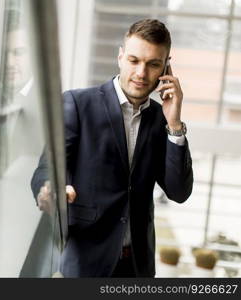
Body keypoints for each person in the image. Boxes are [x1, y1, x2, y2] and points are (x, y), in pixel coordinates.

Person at [31, 19, 193, 277]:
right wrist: (49, 189)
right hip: (85, 264)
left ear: (166, 67)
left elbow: (178, 192)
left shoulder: (161, 120)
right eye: (134, 60)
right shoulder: (77, 104)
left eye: (153, 64)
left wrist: (175, 124)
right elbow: (47, 168)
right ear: (120, 57)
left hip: (136, 267)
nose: (141, 73)